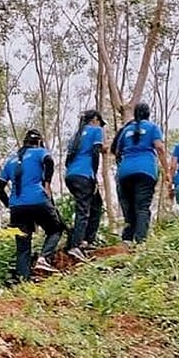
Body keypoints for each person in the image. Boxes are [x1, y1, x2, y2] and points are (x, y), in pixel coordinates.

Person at [0, 129, 67, 282]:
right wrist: (47, 184)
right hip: (38, 200)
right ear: (39, 142)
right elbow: (49, 161)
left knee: (22, 247)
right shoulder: (40, 152)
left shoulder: (11, 160)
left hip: (17, 207)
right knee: (56, 229)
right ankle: (43, 258)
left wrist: (10, 205)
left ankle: (23, 281)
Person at [114, 103, 169, 244]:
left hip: (125, 172)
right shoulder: (152, 127)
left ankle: (127, 239)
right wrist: (166, 170)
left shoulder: (126, 130)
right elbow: (160, 148)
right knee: (142, 207)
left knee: (130, 207)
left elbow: (117, 151)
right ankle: (140, 242)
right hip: (146, 170)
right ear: (148, 114)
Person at [63, 110, 106, 261]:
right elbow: (95, 153)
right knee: (83, 210)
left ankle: (86, 241)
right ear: (95, 119)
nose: (101, 125)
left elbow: (68, 159)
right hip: (84, 175)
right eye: (100, 122)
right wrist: (94, 176)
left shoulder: (75, 136)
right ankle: (76, 245)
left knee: (96, 204)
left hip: (71, 175)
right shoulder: (96, 130)